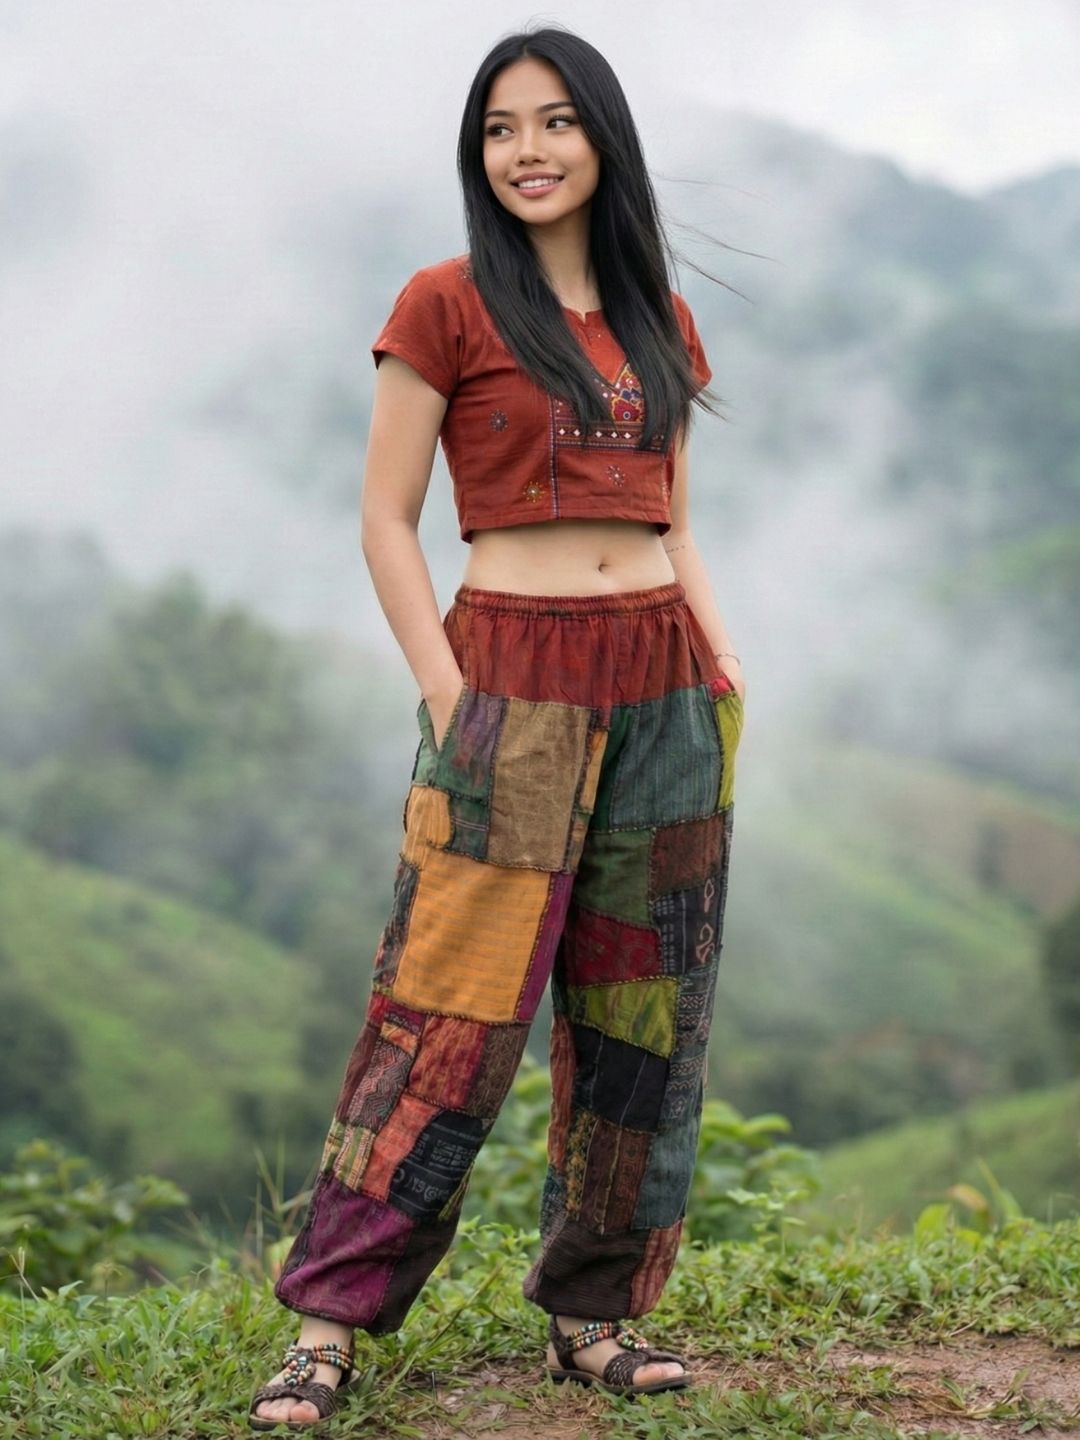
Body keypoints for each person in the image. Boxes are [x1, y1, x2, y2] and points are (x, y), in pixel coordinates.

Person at [249, 23, 746, 1432]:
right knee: (443, 1014)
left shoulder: (658, 316)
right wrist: (450, 690)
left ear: (603, 138)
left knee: (645, 1017)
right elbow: (382, 521)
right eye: (499, 129)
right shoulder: (445, 305)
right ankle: (329, 1326)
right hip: (508, 681)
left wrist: (717, 667)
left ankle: (593, 1316)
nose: (526, 150)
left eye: (554, 122)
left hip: (665, 687)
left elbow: (676, 519)